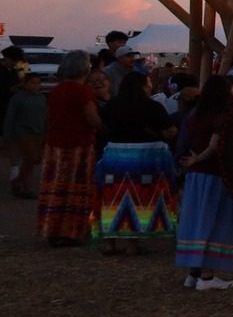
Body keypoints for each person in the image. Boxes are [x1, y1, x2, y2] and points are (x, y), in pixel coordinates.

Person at [96, 65, 180, 256]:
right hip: (144, 157)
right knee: (138, 198)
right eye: (148, 83)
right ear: (142, 86)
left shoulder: (112, 104)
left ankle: (110, 242)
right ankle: (132, 244)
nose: (150, 86)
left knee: (112, 197)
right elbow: (170, 131)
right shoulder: (152, 106)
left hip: (114, 156)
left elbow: (102, 126)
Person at [172, 75, 233, 289]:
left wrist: (189, 162)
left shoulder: (194, 115)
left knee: (197, 220)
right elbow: (214, 146)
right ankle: (207, 276)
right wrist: (197, 158)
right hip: (215, 174)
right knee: (214, 221)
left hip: (196, 177)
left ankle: (193, 273)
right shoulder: (223, 115)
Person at [38, 52, 100, 246]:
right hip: (78, 144)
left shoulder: (57, 90)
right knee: (77, 188)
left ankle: (52, 228)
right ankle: (72, 231)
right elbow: (92, 119)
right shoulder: (82, 92)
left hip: (55, 143)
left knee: (56, 186)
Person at [5, 69, 46, 200]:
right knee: (31, 158)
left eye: (38, 83)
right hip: (22, 132)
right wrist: (7, 135)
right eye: (32, 83)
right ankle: (24, 186)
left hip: (38, 132)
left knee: (32, 161)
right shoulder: (18, 98)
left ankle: (20, 184)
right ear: (25, 83)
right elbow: (10, 117)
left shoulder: (42, 98)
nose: (35, 85)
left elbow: (45, 115)